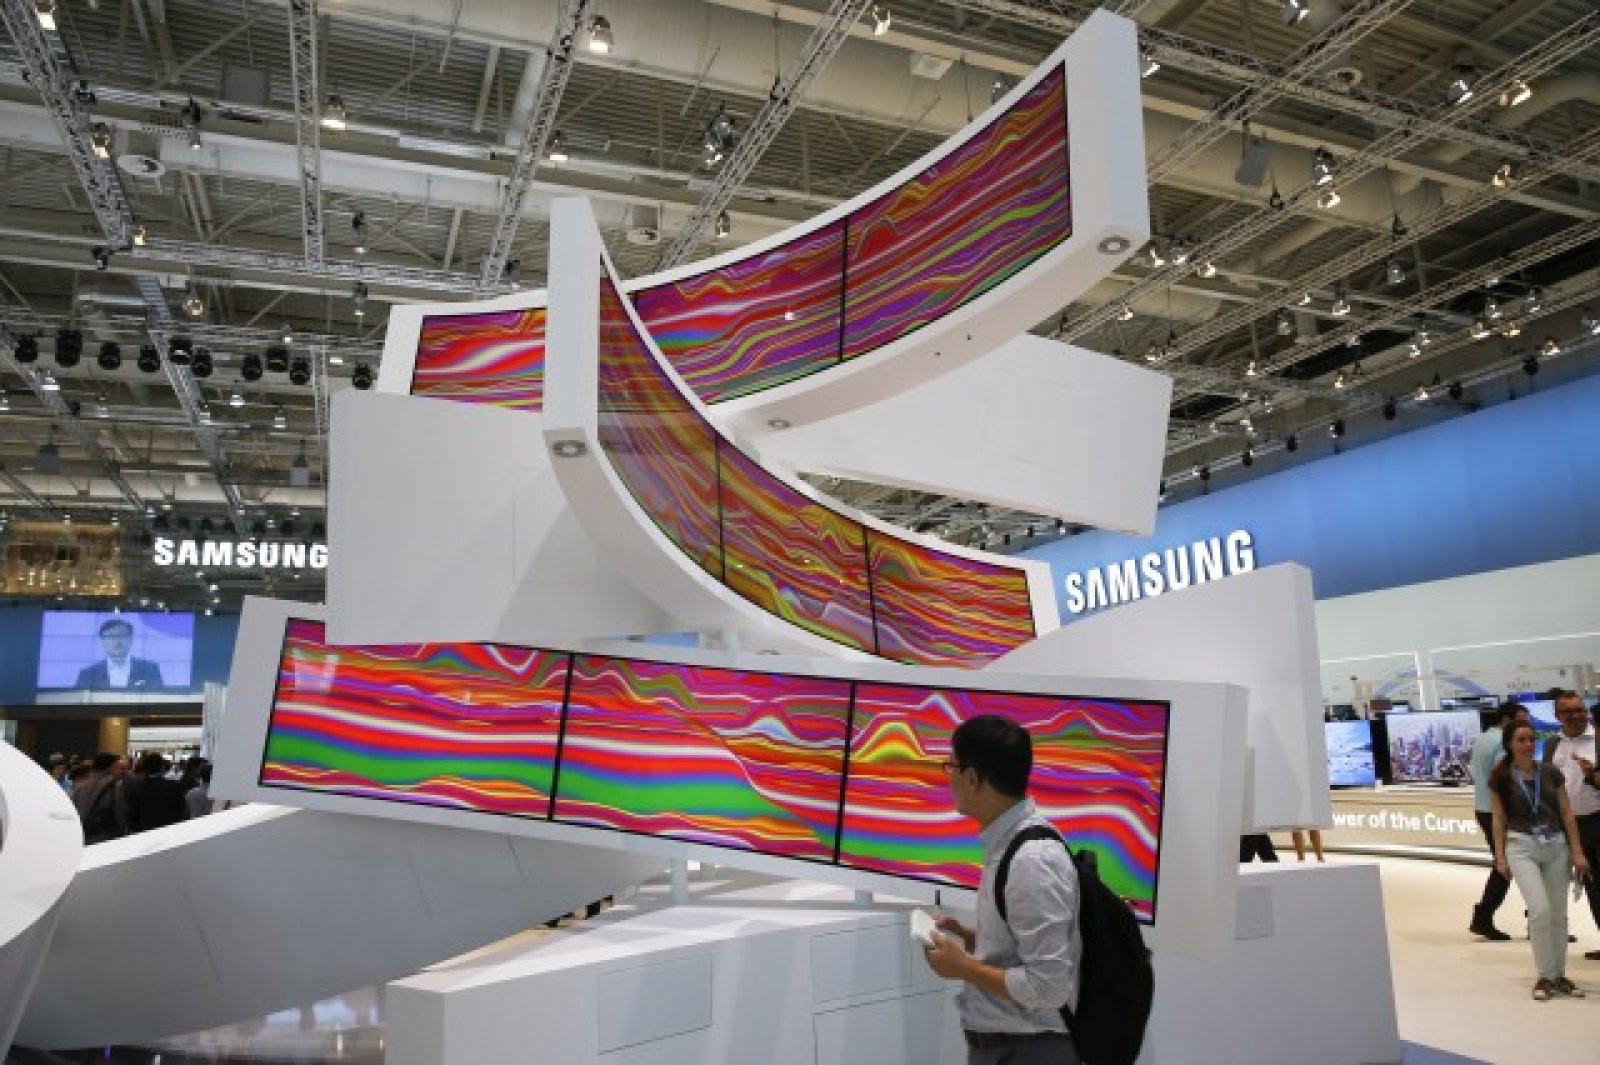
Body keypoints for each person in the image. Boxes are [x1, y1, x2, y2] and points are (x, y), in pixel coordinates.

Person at [921, 715, 1080, 1064]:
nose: (948, 777)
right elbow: (1028, 948)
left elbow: (1049, 986)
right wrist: (975, 938)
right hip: (1012, 1047)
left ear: (973, 778)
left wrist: (963, 967)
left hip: (1029, 1051)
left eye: (951, 766)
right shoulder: (1011, 844)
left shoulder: (1031, 861)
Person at [1490, 719, 1590, 1000]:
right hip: (1521, 847)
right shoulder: (1501, 777)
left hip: (1556, 846)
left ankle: (1559, 975)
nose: (1527, 744)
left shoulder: (1550, 772)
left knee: (1558, 914)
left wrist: (1577, 850)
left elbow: (1567, 812)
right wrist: (1500, 857)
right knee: (1540, 911)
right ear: (1509, 744)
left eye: (1531, 739)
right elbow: (1498, 818)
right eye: (1521, 740)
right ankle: (1545, 976)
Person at [1543, 689, 1599, 961]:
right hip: (1568, 827)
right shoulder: (1552, 744)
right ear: (1557, 716)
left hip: (1597, 821)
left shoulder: (1598, 738)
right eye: (1568, 712)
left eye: (1579, 710)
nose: (1575, 715)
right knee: (1591, 887)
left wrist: (1592, 775)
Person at [1469, 701, 1528, 941]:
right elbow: (1504, 780)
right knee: (1507, 865)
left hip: (1483, 808)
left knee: (1507, 864)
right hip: (1500, 812)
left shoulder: (1482, 738)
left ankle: (1485, 917)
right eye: (1521, 721)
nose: (1526, 728)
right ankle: (1483, 916)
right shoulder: (1503, 743)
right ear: (1506, 720)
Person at [75, 617, 164, 691]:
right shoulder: (87, 674)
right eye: (111, 636)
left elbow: (158, 699)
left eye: (122, 635)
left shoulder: (150, 669)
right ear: (102, 641)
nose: (117, 641)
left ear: (131, 639)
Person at [123, 752, 188, 833]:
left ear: (145, 768)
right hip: (169, 829)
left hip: (143, 830)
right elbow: (181, 808)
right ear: (162, 767)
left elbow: (132, 812)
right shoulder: (173, 786)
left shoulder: (137, 787)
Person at [71, 752, 125, 844]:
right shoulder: (115, 789)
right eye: (117, 766)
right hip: (106, 841)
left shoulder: (78, 788)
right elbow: (120, 819)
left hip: (82, 838)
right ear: (110, 768)